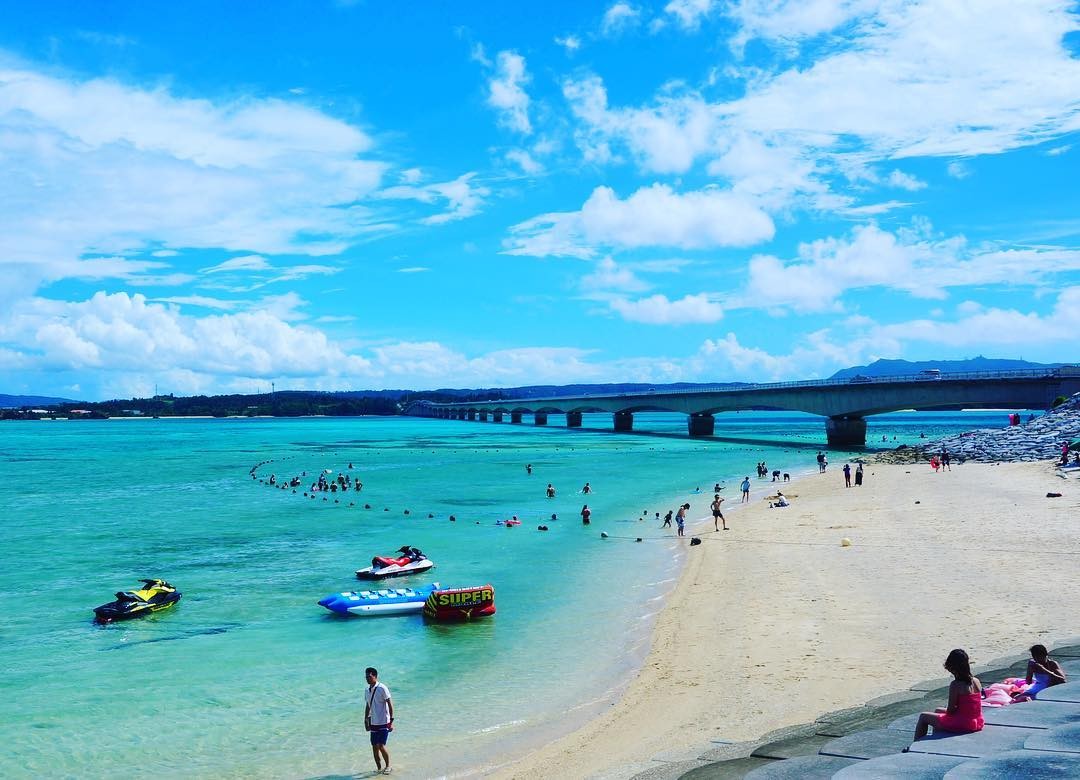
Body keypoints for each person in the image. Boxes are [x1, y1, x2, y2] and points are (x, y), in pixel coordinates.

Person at [911, 649, 983, 741]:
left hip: (964, 724)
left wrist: (952, 712)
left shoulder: (956, 685)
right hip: (976, 721)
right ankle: (936, 739)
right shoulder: (976, 681)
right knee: (938, 710)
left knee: (923, 717)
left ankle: (916, 744)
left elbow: (950, 710)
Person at [364, 667, 394, 774]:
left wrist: (391, 721)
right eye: (366, 677)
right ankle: (378, 769)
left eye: (369, 676)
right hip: (373, 722)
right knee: (374, 747)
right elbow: (368, 706)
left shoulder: (382, 688)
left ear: (375, 676)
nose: (367, 678)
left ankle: (388, 766)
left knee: (381, 745)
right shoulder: (367, 690)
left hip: (383, 722)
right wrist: (365, 720)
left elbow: (390, 705)